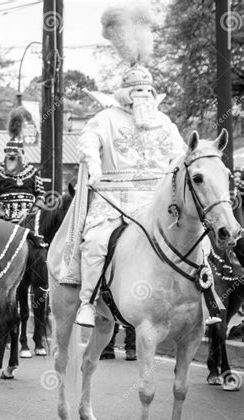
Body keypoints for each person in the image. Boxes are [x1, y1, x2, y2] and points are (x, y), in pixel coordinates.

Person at [58, 7, 188, 327]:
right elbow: (88, 141)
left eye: (148, 90)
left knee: (194, 236)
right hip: (114, 196)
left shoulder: (164, 121)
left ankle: (206, 295)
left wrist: (176, 170)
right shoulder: (106, 118)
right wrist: (93, 165)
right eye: (137, 90)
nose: (144, 95)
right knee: (96, 242)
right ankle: (87, 301)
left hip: (156, 198)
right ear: (126, 92)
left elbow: (182, 151)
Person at [0, 107, 45, 223]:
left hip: (30, 221)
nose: (12, 156)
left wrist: (36, 208)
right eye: (9, 153)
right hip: (4, 221)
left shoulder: (32, 172)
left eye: (16, 153)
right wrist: (0, 212)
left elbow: (41, 194)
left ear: (22, 153)